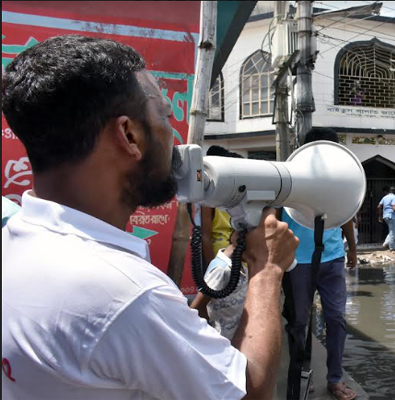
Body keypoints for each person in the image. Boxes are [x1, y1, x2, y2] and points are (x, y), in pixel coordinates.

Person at [2, 35, 298, 400]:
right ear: (129, 134)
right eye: (165, 116)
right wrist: (266, 270)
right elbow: (249, 392)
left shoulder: (14, 237)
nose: (173, 136)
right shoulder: (123, 294)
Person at [281, 127, 358, 400]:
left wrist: (352, 249)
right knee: (299, 322)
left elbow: (345, 211)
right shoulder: (290, 174)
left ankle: (335, 379)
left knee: (336, 319)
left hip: (332, 258)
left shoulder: (340, 178)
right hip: (298, 260)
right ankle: (301, 374)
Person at [189, 147, 247, 325]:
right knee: (217, 306)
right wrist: (209, 267)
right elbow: (205, 234)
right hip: (223, 256)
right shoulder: (211, 197)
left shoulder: (238, 191)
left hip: (240, 254)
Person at [377, 186, 395, 251]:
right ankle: (392, 247)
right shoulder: (394, 197)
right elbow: (394, 208)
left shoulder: (385, 197)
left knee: (394, 230)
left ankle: (385, 244)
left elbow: (379, 206)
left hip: (385, 216)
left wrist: (380, 216)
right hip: (392, 216)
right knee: (392, 231)